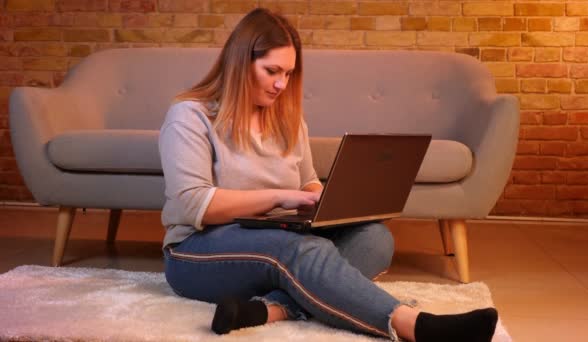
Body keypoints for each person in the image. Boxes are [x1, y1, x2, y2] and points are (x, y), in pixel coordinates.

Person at [159, 8, 498, 342]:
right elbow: (194, 205)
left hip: (277, 238)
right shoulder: (190, 115)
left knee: (374, 238)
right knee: (298, 249)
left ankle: (269, 310)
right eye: (272, 71)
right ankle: (413, 325)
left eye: (289, 74)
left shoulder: (287, 119)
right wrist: (280, 197)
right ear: (239, 63)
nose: (281, 84)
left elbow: (307, 180)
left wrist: (323, 201)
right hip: (197, 253)